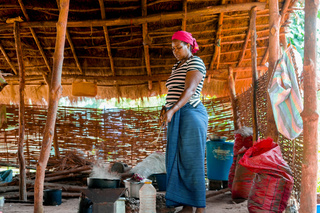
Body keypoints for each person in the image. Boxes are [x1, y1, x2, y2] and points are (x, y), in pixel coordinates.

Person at [161, 31, 208, 213]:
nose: (175, 51)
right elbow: (175, 91)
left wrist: (172, 109)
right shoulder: (177, 66)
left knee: (192, 161)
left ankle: (200, 208)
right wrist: (166, 108)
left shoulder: (196, 62)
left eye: (179, 48)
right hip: (178, 113)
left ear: (188, 46)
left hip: (191, 114)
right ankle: (187, 206)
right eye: (173, 48)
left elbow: (189, 90)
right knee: (179, 160)